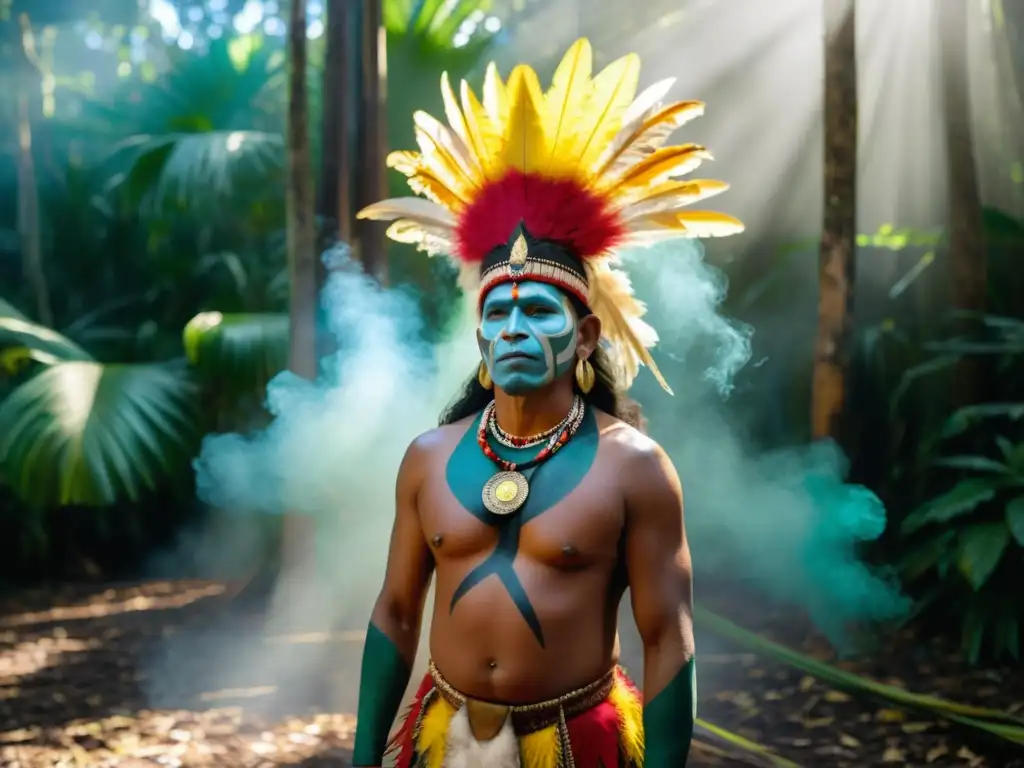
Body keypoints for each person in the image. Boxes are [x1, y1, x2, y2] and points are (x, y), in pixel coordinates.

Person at [350, 37, 743, 768]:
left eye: (539, 310)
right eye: (498, 313)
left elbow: (667, 637)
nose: (515, 328)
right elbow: (397, 612)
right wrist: (362, 755)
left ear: (586, 335)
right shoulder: (428, 459)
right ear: (479, 335)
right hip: (444, 740)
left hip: (577, 742)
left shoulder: (637, 470)